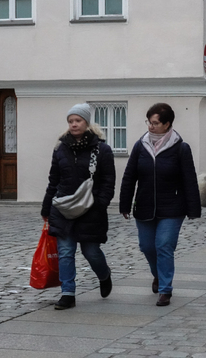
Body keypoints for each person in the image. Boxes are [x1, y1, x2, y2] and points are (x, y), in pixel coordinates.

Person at [119, 103, 201, 307]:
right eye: (149, 122)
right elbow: (130, 176)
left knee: (164, 245)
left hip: (172, 207)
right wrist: (125, 203)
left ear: (167, 124)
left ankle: (165, 289)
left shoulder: (180, 148)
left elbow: (189, 179)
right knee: (147, 246)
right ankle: (157, 274)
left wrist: (193, 208)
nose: (150, 126)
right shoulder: (141, 146)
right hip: (145, 205)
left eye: (155, 123)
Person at [41, 103, 115, 310]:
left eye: (78, 121)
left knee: (91, 251)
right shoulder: (60, 148)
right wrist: (46, 208)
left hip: (91, 209)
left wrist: (100, 203)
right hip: (63, 208)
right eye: (70, 121)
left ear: (86, 122)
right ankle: (68, 293)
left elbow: (108, 181)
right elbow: (53, 180)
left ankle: (104, 274)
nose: (74, 124)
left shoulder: (102, 150)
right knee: (65, 251)